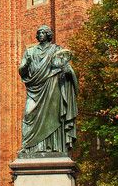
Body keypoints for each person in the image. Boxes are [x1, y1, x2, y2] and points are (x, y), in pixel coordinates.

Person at [19, 26, 78, 156]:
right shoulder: (30, 52)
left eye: (43, 32)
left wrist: (68, 72)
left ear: (48, 35)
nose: (40, 35)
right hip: (34, 89)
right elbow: (22, 71)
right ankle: (28, 147)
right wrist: (25, 65)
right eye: (39, 33)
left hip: (52, 87)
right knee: (28, 114)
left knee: (53, 115)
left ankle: (53, 147)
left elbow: (66, 67)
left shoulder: (56, 50)